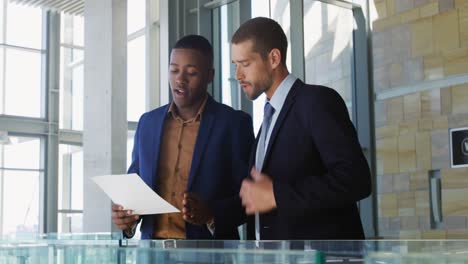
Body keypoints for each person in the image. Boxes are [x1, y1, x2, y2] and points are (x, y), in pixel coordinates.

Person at [233, 17, 371, 240]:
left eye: (245, 64)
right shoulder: (267, 121)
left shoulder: (316, 101)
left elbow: (356, 180)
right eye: (235, 65)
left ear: (274, 58)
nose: (238, 75)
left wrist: (278, 195)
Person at [112, 35, 254, 239]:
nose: (180, 79)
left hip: (209, 256)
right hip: (153, 255)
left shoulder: (233, 124)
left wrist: (211, 213)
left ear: (209, 76)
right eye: (174, 70)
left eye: (192, 73)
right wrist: (126, 217)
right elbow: (136, 190)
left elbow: (249, 198)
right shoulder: (147, 124)